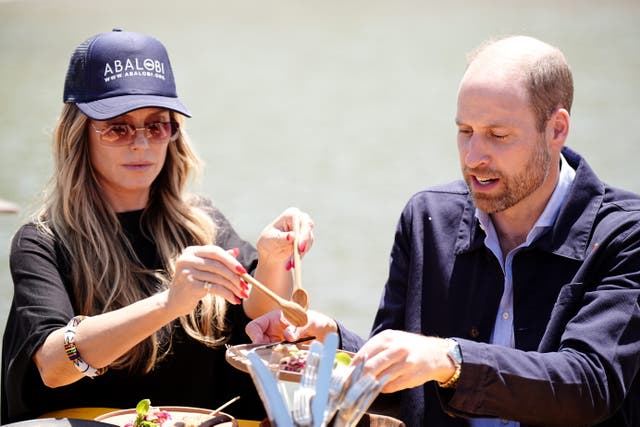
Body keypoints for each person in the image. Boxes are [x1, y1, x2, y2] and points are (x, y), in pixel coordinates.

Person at [246, 35, 640, 426]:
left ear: (557, 129)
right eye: (465, 131)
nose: (473, 157)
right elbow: (400, 384)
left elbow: (590, 383)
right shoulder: (426, 216)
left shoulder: (626, 232)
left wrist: (449, 360)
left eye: (497, 136)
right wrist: (332, 340)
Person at [1, 29, 314, 424]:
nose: (142, 144)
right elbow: (52, 365)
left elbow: (256, 318)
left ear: (173, 133)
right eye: (117, 127)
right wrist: (170, 303)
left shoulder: (204, 223)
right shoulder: (43, 242)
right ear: (80, 136)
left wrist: (273, 259)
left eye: (157, 125)